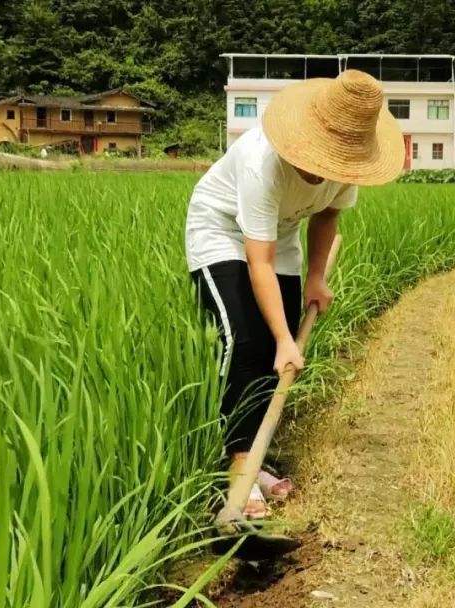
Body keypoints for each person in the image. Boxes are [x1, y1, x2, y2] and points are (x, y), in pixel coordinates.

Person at [185, 69, 404, 518]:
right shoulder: (261, 163)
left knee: (271, 353)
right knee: (244, 340)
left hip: (281, 237)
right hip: (222, 231)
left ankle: (256, 459)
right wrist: (286, 337)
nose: (320, 169)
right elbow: (256, 260)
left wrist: (316, 278)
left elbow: (326, 218)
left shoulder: (347, 166)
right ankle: (236, 469)